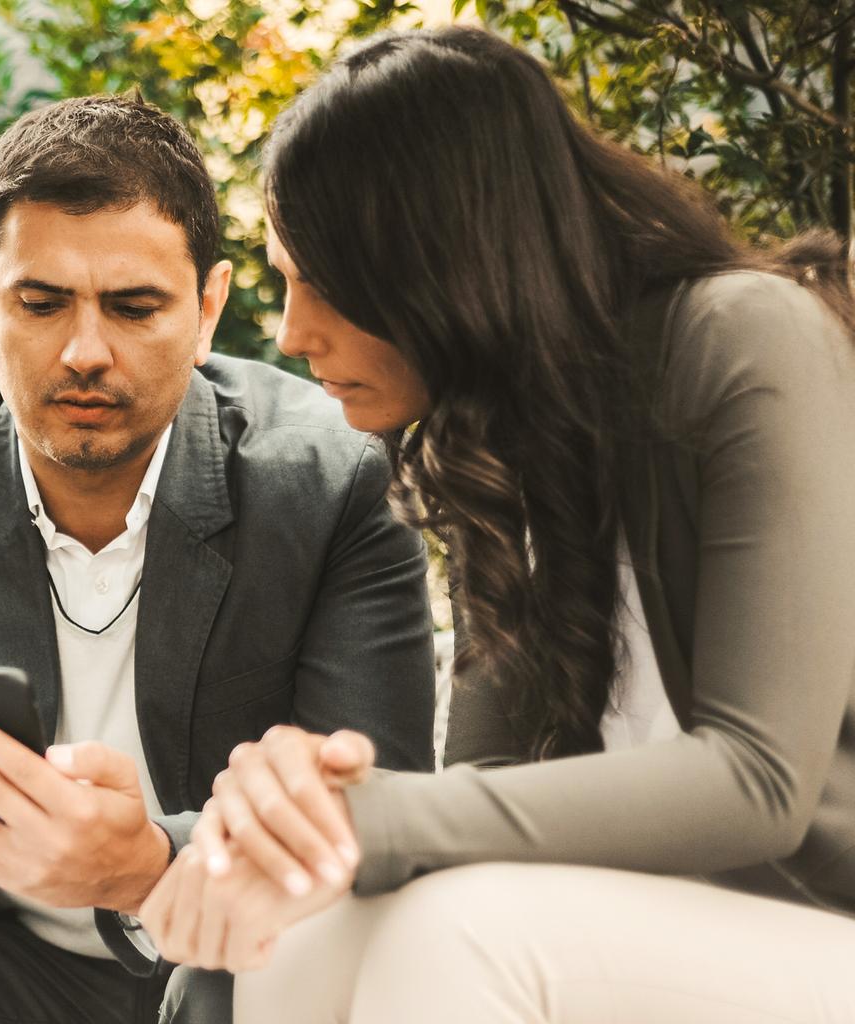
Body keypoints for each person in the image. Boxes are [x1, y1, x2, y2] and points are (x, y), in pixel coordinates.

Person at [140, 26, 855, 1023]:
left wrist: (365, 818)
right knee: (293, 947)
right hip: (647, 922)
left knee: (455, 935)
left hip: (821, 916)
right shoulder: (505, 448)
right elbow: (481, 799)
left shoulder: (743, 338)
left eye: (323, 281)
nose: (294, 332)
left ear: (439, 260)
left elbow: (759, 779)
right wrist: (288, 831)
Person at [0, 94, 438, 1024]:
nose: (86, 352)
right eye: (41, 302)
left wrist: (147, 868)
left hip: (232, 959)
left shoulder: (333, 482)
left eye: (134, 307)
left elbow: (380, 819)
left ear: (209, 306)